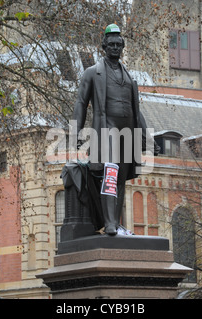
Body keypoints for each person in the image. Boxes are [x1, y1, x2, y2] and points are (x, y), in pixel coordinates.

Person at [72, 24, 159, 236]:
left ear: (122, 46)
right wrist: (76, 132)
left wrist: (148, 139)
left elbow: (136, 111)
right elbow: (81, 103)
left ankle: (116, 222)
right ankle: (110, 223)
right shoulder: (92, 73)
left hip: (128, 132)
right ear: (103, 46)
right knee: (110, 172)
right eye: (110, 44)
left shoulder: (130, 78)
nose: (114, 48)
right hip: (107, 130)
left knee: (120, 179)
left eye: (118, 44)